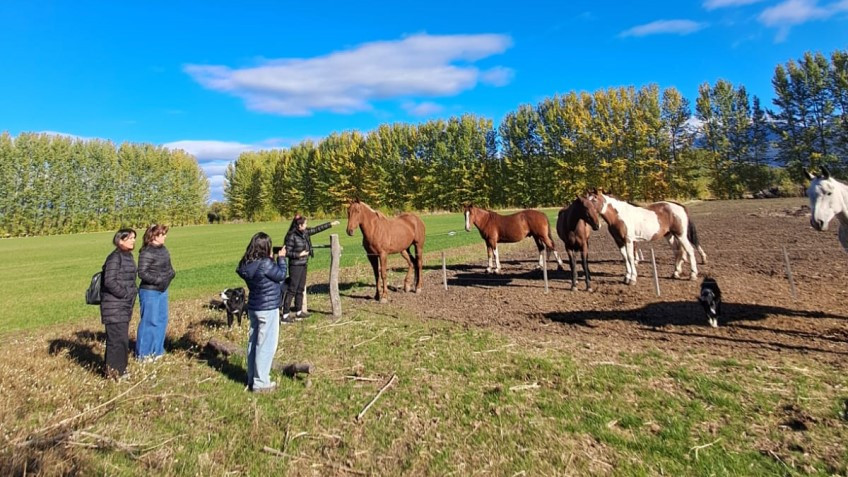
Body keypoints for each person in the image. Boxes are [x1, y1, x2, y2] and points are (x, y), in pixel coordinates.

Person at [236, 232, 287, 393]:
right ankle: (261, 382)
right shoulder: (265, 264)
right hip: (268, 308)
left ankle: (252, 378)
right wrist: (281, 259)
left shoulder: (246, 263)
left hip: (254, 307)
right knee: (266, 345)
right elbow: (281, 275)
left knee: (253, 343)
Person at [282, 214, 340, 322]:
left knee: (300, 288)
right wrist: (299, 254)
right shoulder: (291, 236)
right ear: (299, 225)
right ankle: (285, 315)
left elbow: (317, 229)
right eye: (305, 224)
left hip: (303, 263)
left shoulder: (304, 232)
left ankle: (299, 312)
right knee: (292, 289)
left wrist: (330, 224)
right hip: (295, 265)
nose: (306, 225)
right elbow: (287, 252)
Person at [100, 228, 138, 380]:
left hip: (123, 306)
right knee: (116, 340)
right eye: (130, 238)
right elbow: (109, 281)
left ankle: (120, 370)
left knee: (121, 339)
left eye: (134, 238)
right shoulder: (115, 258)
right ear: (120, 240)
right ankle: (113, 373)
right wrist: (125, 294)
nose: (133, 240)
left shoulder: (127, 256)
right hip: (114, 306)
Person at [135, 224, 176, 362]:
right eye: (162, 234)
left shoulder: (164, 249)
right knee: (149, 322)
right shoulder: (146, 252)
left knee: (161, 320)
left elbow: (169, 267)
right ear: (153, 236)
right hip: (149, 291)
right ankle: (143, 355)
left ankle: (157, 351)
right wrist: (158, 280)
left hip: (163, 290)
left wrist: (171, 274)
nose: (165, 236)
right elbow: (142, 273)